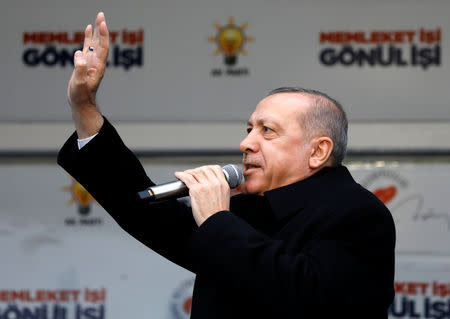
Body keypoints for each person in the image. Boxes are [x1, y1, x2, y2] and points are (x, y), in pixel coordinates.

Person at [58, 12, 395, 319]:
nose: (247, 143)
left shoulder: (358, 214)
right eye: (249, 129)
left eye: (267, 131)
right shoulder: (247, 211)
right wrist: (85, 107)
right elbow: (148, 215)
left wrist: (218, 221)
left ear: (318, 151)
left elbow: (311, 298)